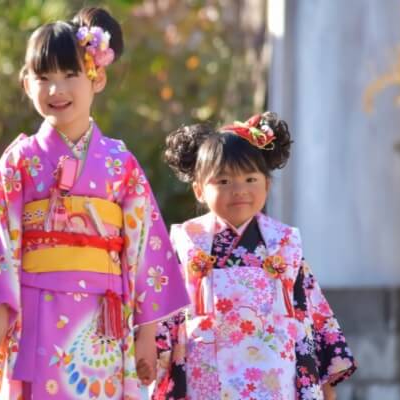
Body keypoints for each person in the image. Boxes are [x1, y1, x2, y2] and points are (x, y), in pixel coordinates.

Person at [0, 7, 189, 399]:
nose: (56, 90)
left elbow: (147, 246)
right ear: (26, 84)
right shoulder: (20, 161)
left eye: (69, 75)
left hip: (104, 320)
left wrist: (146, 334)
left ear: (97, 77)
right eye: (43, 78)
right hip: (34, 312)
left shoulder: (120, 164)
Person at [151, 112, 357, 399]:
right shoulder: (187, 242)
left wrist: (324, 383)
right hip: (205, 372)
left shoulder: (284, 244)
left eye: (250, 179)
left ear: (267, 185)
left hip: (274, 374)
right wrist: (149, 349)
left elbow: (310, 312)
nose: (239, 190)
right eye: (223, 181)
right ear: (199, 189)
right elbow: (165, 310)